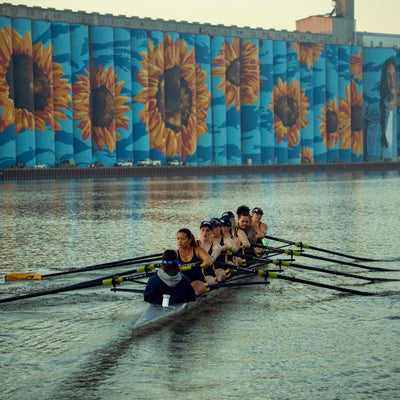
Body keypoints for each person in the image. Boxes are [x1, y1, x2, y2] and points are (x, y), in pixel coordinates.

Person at [364, 56, 397, 161]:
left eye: (394, 76)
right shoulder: (374, 110)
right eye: (388, 76)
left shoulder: (397, 110)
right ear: (384, 79)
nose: (392, 81)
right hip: (377, 165)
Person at [176, 228, 214, 296]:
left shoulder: (198, 250)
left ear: (189, 240)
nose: (180, 241)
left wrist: (207, 261)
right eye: (178, 239)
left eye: (182, 239)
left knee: (193, 287)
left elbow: (208, 258)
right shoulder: (175, 254)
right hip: (184, 282)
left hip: (199, 282)